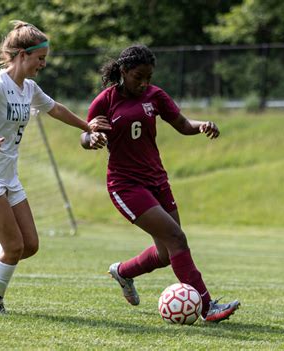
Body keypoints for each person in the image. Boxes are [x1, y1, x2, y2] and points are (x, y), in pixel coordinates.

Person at [0, 20, 110, 315]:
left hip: (8, 175)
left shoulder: (29, 88)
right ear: (23, 55)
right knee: (13, 247)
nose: (43, 64)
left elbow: (56, 109)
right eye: (41, 58)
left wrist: (87, 124)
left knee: (30, 245)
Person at [80, 44, 240, 323]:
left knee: (167, 253)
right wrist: (91, 138)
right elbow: (85, 135)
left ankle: (124, 272)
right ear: (124, 71)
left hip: (157, 180)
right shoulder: (105, 101)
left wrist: (202, 125)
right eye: (138, 76)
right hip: (125, 185)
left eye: (149, 77)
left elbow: (182, 124)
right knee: (176, 238)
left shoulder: (155, 96)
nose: (144, 83)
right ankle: (207, 306)